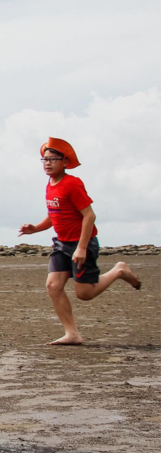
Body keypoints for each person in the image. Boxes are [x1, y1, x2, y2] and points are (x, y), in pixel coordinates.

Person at [19, 138, 141, 345]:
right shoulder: (50, 185)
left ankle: (119, 270)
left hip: (82, 243)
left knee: (84, 294)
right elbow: (55, 213)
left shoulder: (72, 183)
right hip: (61, 244)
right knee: (53, 285)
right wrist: (36, 228)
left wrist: (82, 248)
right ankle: (72, 334)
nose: (47, 163)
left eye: (53, 159)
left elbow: (89, 215)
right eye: (44, 159)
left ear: (65, 162)